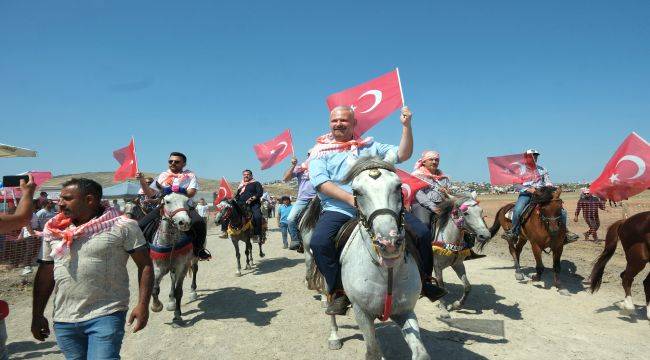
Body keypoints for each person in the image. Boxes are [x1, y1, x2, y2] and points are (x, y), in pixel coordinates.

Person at [309, 106, 446, 315]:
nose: (338, 124)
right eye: (335, 120)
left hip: (379, 205)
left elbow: (402, 154)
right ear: (330, 123)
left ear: (354, 123)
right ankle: (338, 291)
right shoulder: (319, 151)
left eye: (344, 120)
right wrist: (350, 199)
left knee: (422, 233)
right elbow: (321, 183)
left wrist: (406, 127)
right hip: (340, 207)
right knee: (319, 242)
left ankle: (426, 280)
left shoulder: (369, 145)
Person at [31, 178, 153, 359]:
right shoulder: (53, 230)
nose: (60, 203)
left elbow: (145, 265)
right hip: (64, 320)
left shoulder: (123, 226)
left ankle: (198, 248)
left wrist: (143, 305)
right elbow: (45, 274)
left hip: (106, 313)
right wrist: (37, 314)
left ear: (89, 200)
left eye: (67, 198)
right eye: (60, 198)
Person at [410, 151, 485, 261]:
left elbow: (449, 194)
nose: (434, 162)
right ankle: (420, 251)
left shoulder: (443, 177)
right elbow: (419, 194)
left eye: (436, 160)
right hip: (421, 205)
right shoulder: (417, 175)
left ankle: (468, 250)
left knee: (463, 219)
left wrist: (446, 192)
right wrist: (433, 207)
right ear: (424, 162)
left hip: (442, 204)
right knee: (424, 224)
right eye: (431, 159)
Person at [137, 152, 211, 260]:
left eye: (176, 162)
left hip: (185, 207)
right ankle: (143, 251)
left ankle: (199, 250)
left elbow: (191, 193)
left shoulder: (190, 175)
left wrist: (180, 189)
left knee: (199, 223)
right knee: (141, 225)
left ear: (184, 163)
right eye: (170, 161)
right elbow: (151, 194)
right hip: (165, 207)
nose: (173, 163)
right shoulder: (163, 175)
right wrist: (142, 181)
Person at [502, 149, 579, 243]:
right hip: (526, 194)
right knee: (518, 210)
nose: (534, 157)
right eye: (532, 156)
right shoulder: (520, 170)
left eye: (536, 156)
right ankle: (514, 232)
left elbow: (548, 182)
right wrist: (529, 189)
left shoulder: (542, 169)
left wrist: (551, 188)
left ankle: (565, 234)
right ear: (526, 158)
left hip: (542, 194)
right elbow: (516, 184)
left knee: (562, 211)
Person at [283, 155, 317, 250]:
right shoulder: (300, 168)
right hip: (302, 199)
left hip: (319, 198)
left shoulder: (321, 166)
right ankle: (295, 240)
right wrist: (293, 166)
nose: (312, 156)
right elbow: (285, 178)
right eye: (310, 154)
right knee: (290, 219)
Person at [234, 169, 264, 243]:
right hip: (241, 204)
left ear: (251, 175)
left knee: (257, 216)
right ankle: (225, 231)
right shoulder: (241, 185)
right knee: (228, 212)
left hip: (253, 204)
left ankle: (256, 234)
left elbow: (259, 193)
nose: (246, 176)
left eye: (247, 174)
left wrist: (252, 198)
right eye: (244, 175)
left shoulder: (256, 183)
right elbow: (237, 196)